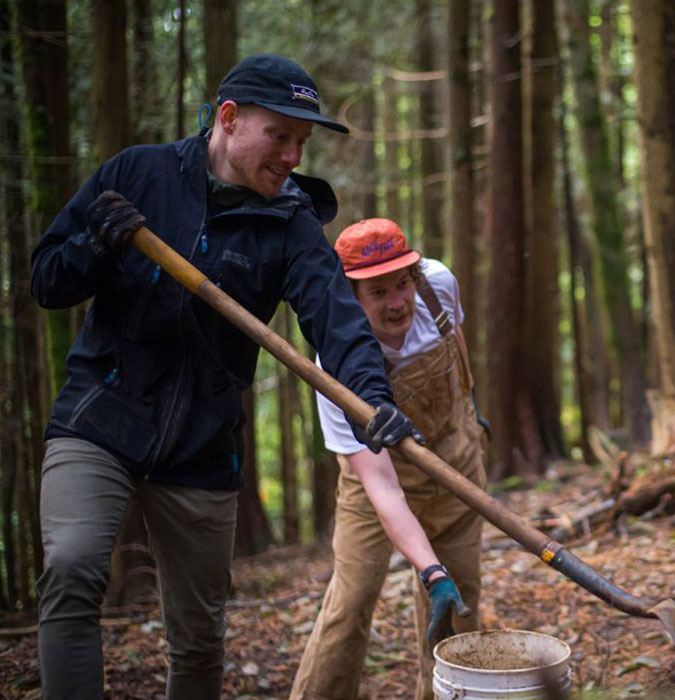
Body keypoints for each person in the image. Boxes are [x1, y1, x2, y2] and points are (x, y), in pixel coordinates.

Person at [30, 54, 424, 699]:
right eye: (281, 135)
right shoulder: (139, 174)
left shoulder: (291, 221)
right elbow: (47, 281)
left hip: (203, 444)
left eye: (304, 141)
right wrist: (96, 241)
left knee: (199, 632)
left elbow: (336, 321)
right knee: (71, 566)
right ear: (230, 118)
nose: (295, 155)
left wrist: (372, 400)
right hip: (99, 418)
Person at [291, 219, 486, 700]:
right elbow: (383, 490)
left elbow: (456, 350)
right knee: (351, 601)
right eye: (378, 292)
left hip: (454, 461)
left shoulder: (438, 284)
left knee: (459, 603)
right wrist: (428, 569)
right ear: (351, 295)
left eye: (402, 284)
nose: (397, 302)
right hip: (375, 481)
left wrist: (470, 413)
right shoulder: (333, 367)